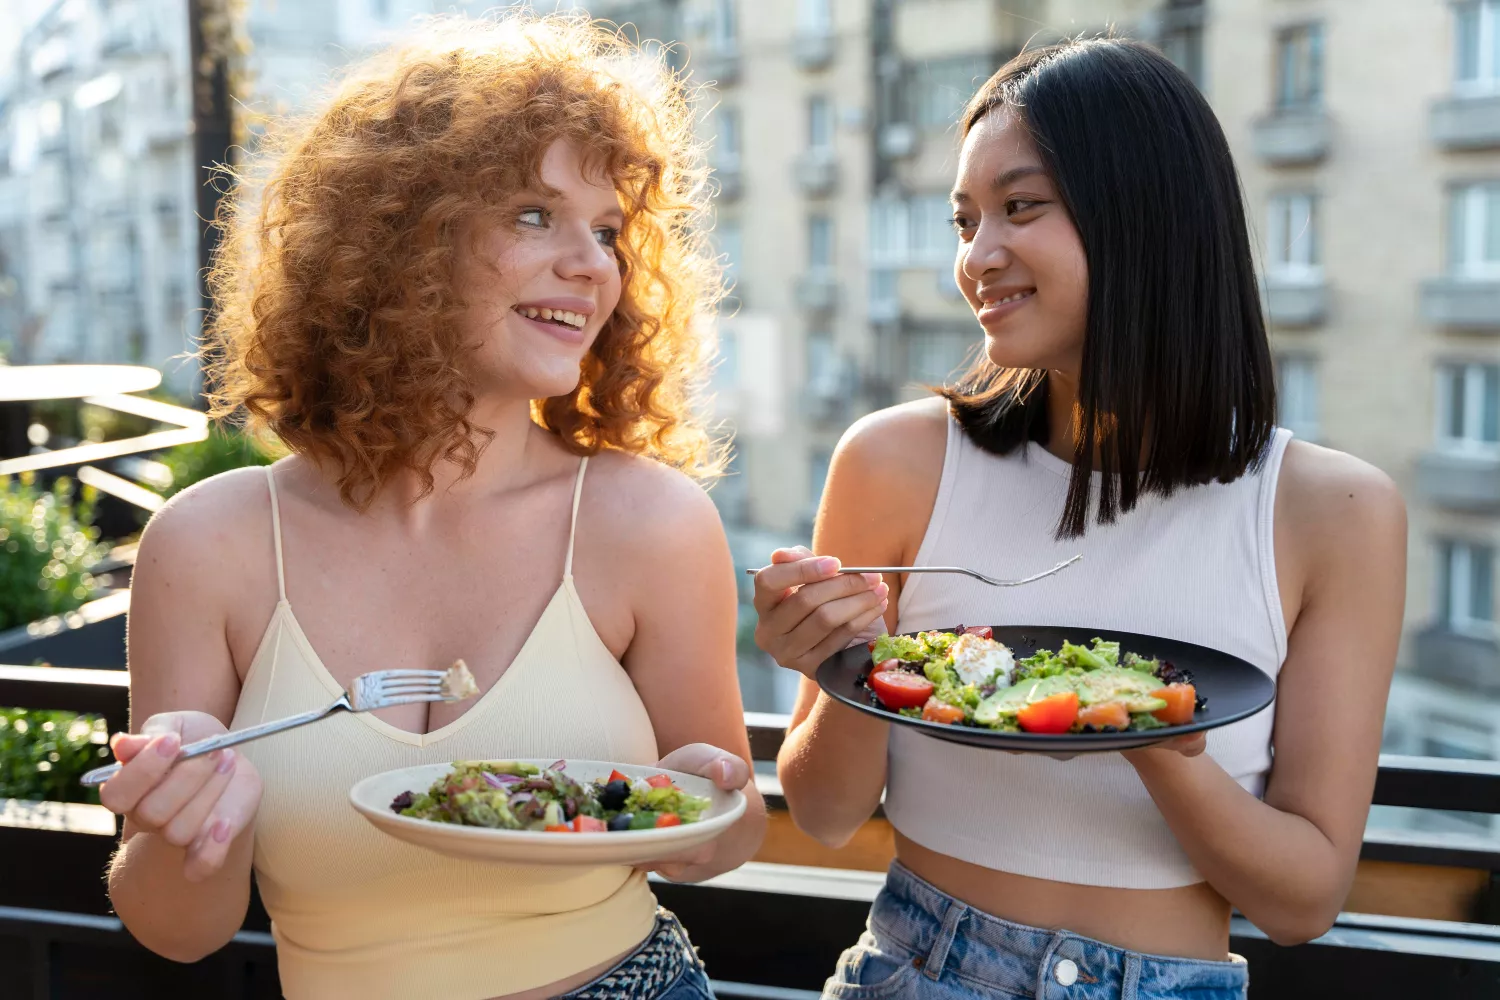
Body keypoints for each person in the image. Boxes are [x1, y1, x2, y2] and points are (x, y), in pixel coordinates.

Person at [99, 13, 765, 1000]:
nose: (592, 265)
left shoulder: (651, 523)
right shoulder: (210, 543)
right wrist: (176, 826)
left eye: (610, 230)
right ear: (398, 242)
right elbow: (181, 931)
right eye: (535, 214)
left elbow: (728, 840)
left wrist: (713, 804)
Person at [752, 38, 1405, 1000]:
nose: (978, 257)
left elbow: (1303, 900)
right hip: (919, 969)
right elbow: (824, 811)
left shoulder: (1335, 512)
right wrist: (838, 661)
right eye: (964, 220)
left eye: (1022, 207)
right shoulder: (895, 461)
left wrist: (1147, 736)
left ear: (1148, 218)